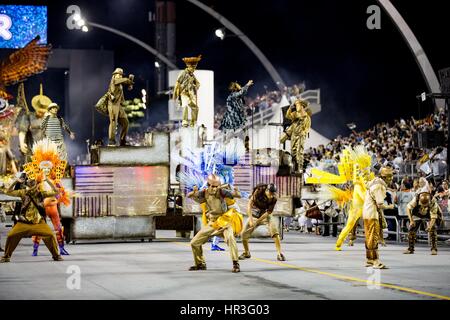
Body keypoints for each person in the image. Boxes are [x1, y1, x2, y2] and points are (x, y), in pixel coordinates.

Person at [0, 174, 63, 263]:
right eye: (30, 182)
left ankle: (56, 255)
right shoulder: (23, 192)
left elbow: (56, 191)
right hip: (24, 222)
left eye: (33, 182)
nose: (32, 184)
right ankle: (6, 257)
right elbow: (8, 191)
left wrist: (47, 180)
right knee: (11, 236)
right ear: (27, 184)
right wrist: (16, 181)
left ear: (37, 184)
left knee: (50, 235)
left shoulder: (41, 193)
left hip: (38, 223)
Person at [187, 174, 242, 273]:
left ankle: (235, 263)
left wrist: (236, 192)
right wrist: (193, 192)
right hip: (212, 223)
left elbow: (238, 195)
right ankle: (200, 264)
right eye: (212, 186)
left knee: (230, 238)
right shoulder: (204, 193)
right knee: (194, 242)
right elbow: (189, 195)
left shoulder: (222, 192)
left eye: (216, 186)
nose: (214, 189)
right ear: (208, 185)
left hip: (224, 221)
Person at [239, 183, 286, 261]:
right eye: (270, 193)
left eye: (273, 194)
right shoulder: (259, 191)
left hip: (265, 215)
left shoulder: (274, 198)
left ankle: (279, 253)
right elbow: (249, 205)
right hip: (254, 214)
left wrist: (257, 222)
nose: (271, 196)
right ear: (266, 190)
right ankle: (246, 253)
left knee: (275, 232)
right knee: (243, 234)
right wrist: (251, 219)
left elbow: (268, 213)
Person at [362, 166, 394, 269]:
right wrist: (390, 206)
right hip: (372, 214)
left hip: (367, 213)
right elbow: (380, 204)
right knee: (373, 237)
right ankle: (375, 261)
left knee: (369, 237)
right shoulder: (378, 186)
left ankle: (369, 259)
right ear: (385, 177)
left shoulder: (373, 182)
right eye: (390, 176)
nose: (391, 179)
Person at [280, 99, 311, 173]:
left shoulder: (307, 117)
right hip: (294, 134)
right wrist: (290, 108)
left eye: (297, 105)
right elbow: (288, 116)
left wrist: (303, 132)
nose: (296, 106)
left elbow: (307, 127)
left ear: (302, 106)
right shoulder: (295, 114)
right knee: (293, 151)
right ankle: (294, 167)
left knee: (299, 152)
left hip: (300, 135)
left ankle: (299, 168)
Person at [107, 68, 134, 146]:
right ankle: (111, 141)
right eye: (119, 74)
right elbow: (122, 80)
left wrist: (130, 84)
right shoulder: (114, 81)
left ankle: (122, 141)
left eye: (121, 75)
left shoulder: (120, 85)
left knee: (125, 123)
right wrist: (128, 80)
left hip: (118, 106)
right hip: (112, 105)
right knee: (113, 122)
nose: (120, 76)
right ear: (115, 75)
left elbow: (124, 88)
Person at [173, 55, 201, 127]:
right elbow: (177, 83)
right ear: (189, 67)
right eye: (193, 68)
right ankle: (184, 121)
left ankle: (193, 122)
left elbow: (197, 83)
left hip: (191, 94)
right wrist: (175, 94)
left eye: (194, 68)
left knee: (195, 108)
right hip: (184, 93)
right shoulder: (183, 73)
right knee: (185, 105)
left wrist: (196, 85)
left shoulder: (192, 75)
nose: (194, 69)